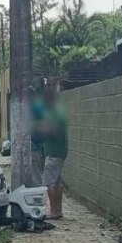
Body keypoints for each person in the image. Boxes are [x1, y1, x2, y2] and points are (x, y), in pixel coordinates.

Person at [38, 88, 68, 220]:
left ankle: (53, 211)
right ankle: (58, 210)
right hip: (60, 151)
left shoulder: (53, 115)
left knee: (50, 183)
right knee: (57, 182)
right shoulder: (60, 113)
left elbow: (51, 130)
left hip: (53, 152)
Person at [29, 87, 46, 187]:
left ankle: (39, 199)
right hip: (42, 146)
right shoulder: (41, 106)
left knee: (36, 177)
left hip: (35, 146)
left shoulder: (33, 108)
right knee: (40, 173)